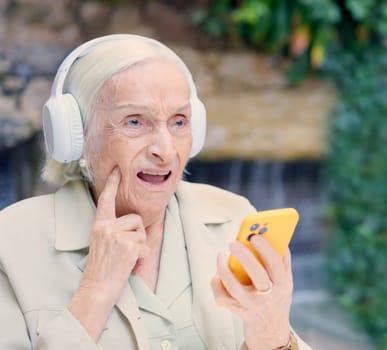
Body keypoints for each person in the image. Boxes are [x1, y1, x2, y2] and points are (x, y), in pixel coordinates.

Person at [0, 34, 312, 350]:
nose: (165, 150)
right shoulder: (11, 242)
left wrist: (275, 340)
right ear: (76, 135)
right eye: (135, 122)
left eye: (179, 122)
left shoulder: (234, 217)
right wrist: (95, 290)